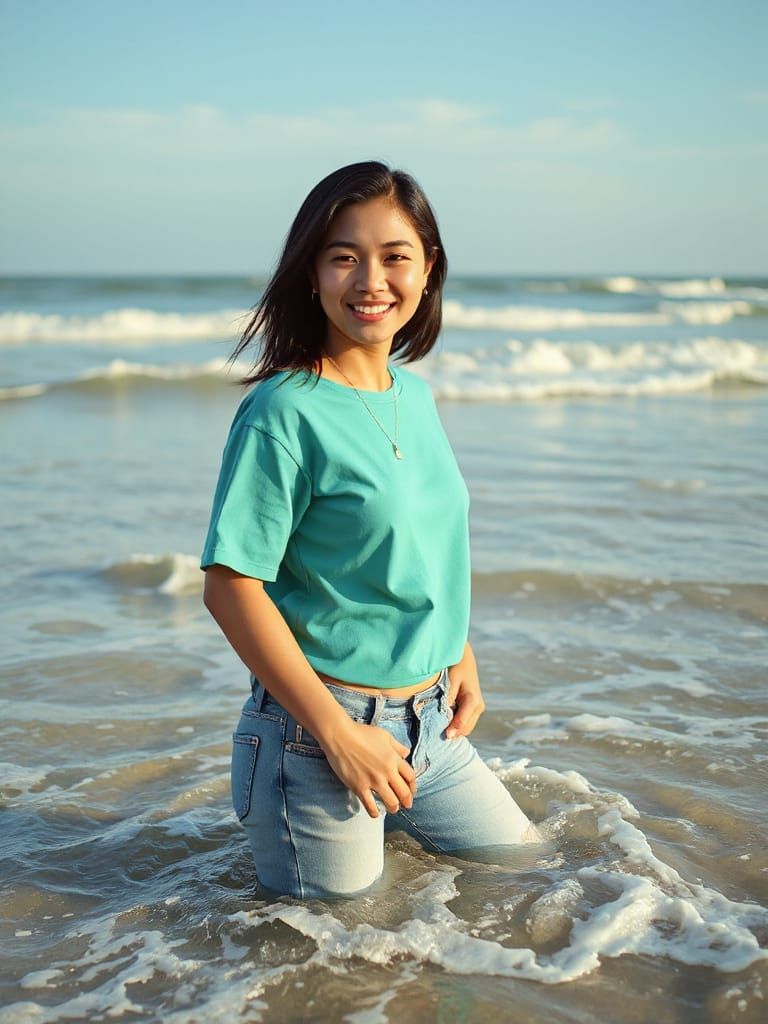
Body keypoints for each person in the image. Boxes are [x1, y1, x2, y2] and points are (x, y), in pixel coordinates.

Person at [200, 160, 540, 899]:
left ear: (429, 269)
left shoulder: (413, 396)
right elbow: (231, 586)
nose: (370, 282)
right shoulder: (282, 411)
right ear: (312, 273)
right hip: (315, 739)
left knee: (530, 874)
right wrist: (338, 734)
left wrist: (457, 647)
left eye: (395, 257)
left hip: (430, 723)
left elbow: (421, 543)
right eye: (344, 257)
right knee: (339, 957)